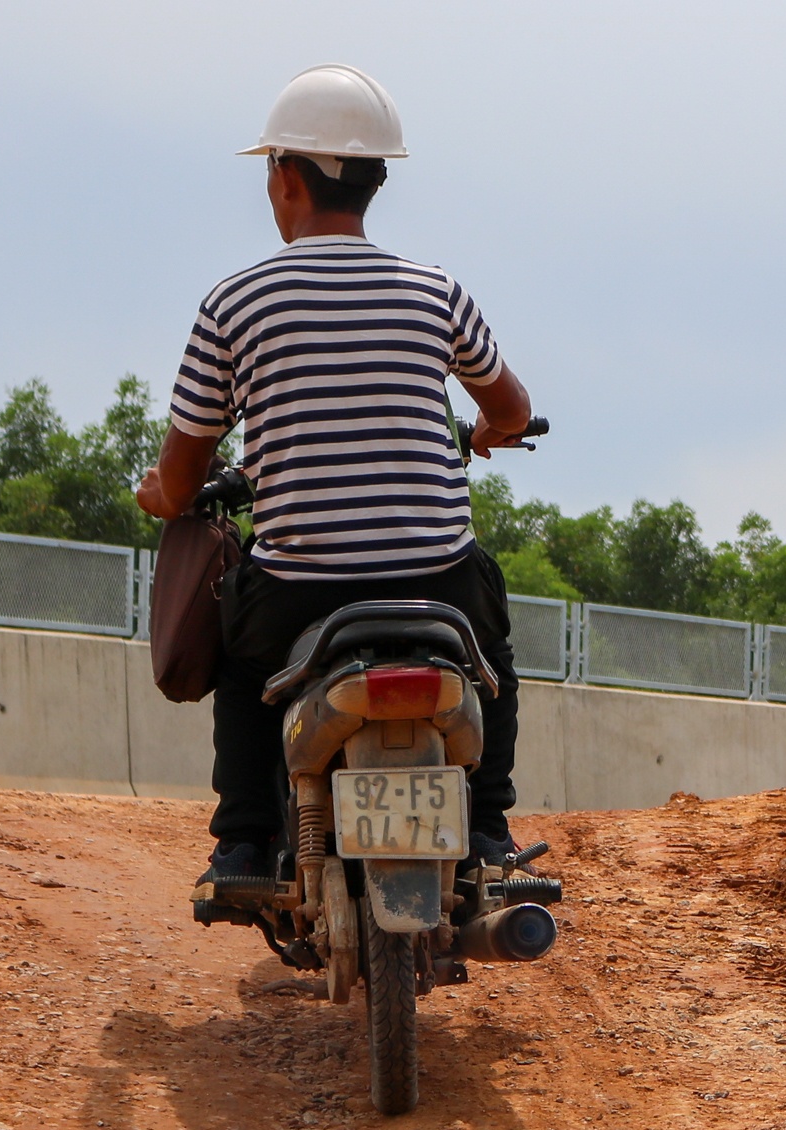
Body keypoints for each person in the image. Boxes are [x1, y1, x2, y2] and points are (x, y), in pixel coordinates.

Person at [136, 64, 533, 882]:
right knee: (493, 657)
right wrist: (490, 430)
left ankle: (245, 840)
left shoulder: (234, 304)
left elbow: (183, 474)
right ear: (374, 182)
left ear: (285, 178)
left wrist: (161, 495)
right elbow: (516, 409)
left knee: (246, 672)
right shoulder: (436, 293)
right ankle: (489, 828)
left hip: (298, 593)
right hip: (438, 583)